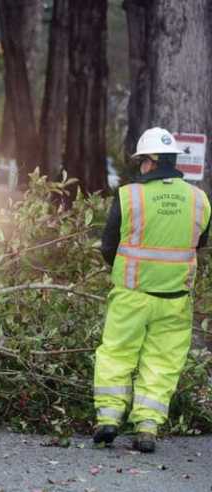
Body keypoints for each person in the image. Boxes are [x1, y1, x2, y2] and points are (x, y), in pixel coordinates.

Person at [93, 127, 210, 452]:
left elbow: (108, 246)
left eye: (142, 161)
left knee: (117, 354)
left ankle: (109, 418)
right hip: (175, 300)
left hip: (131, 295)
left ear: (150, 161)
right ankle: (146, 427)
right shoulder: (199, 200)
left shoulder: (129, 196)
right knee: (161, 362)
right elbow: (199, 243)